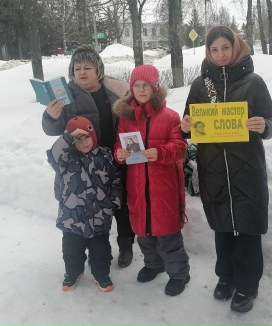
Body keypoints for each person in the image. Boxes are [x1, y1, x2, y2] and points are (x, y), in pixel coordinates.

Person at [180, 26, 272, 312]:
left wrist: (264, 126)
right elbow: (188, 125)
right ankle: (225, 277)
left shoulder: (254, 82)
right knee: (222, 227)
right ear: (208, 52)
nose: (220, 54)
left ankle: (247, 285)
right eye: (214, 49)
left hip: (247, 168)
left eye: (225, 47)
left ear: (236, 47)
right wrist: (185, 126)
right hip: (213, 168)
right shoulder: (200, 85)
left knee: (247, 228)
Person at [42, 45, 135, 268]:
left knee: (121, 205)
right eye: (77, 68)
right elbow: (53, 130)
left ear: (98, 70)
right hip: (81, 166)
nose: (82, 72)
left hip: (114, 160)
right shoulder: (64, 97)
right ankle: (87, 254)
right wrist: (51, 116)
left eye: (87, 67)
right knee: (87, 209)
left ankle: (126, 245)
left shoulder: (114, 93)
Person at [113, 64, 191, 296]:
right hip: (137, 186)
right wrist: (119, 153)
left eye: (145, 85)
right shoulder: (126, 119)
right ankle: (153, 264)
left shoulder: (170, 116)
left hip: (164, 187)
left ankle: (179, 274)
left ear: (154, 87)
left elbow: (180, 147)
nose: (140, 89)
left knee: (168, 236)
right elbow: (119, 144)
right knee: (144, 234)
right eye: (136, 85)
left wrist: (161, 152)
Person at [47, 117, 123, 292]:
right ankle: (73, 273)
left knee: (101, 250)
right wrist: (68, 137)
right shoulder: (66, 159)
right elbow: (54, 155)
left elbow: (116, 180)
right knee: (72, 250)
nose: (84, 142)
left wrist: (113, 202)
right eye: (78, 139)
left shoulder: (105, 156)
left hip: (99, 215)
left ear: (93, 135)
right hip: (72, 218)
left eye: (87, 137)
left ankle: (101, 274)